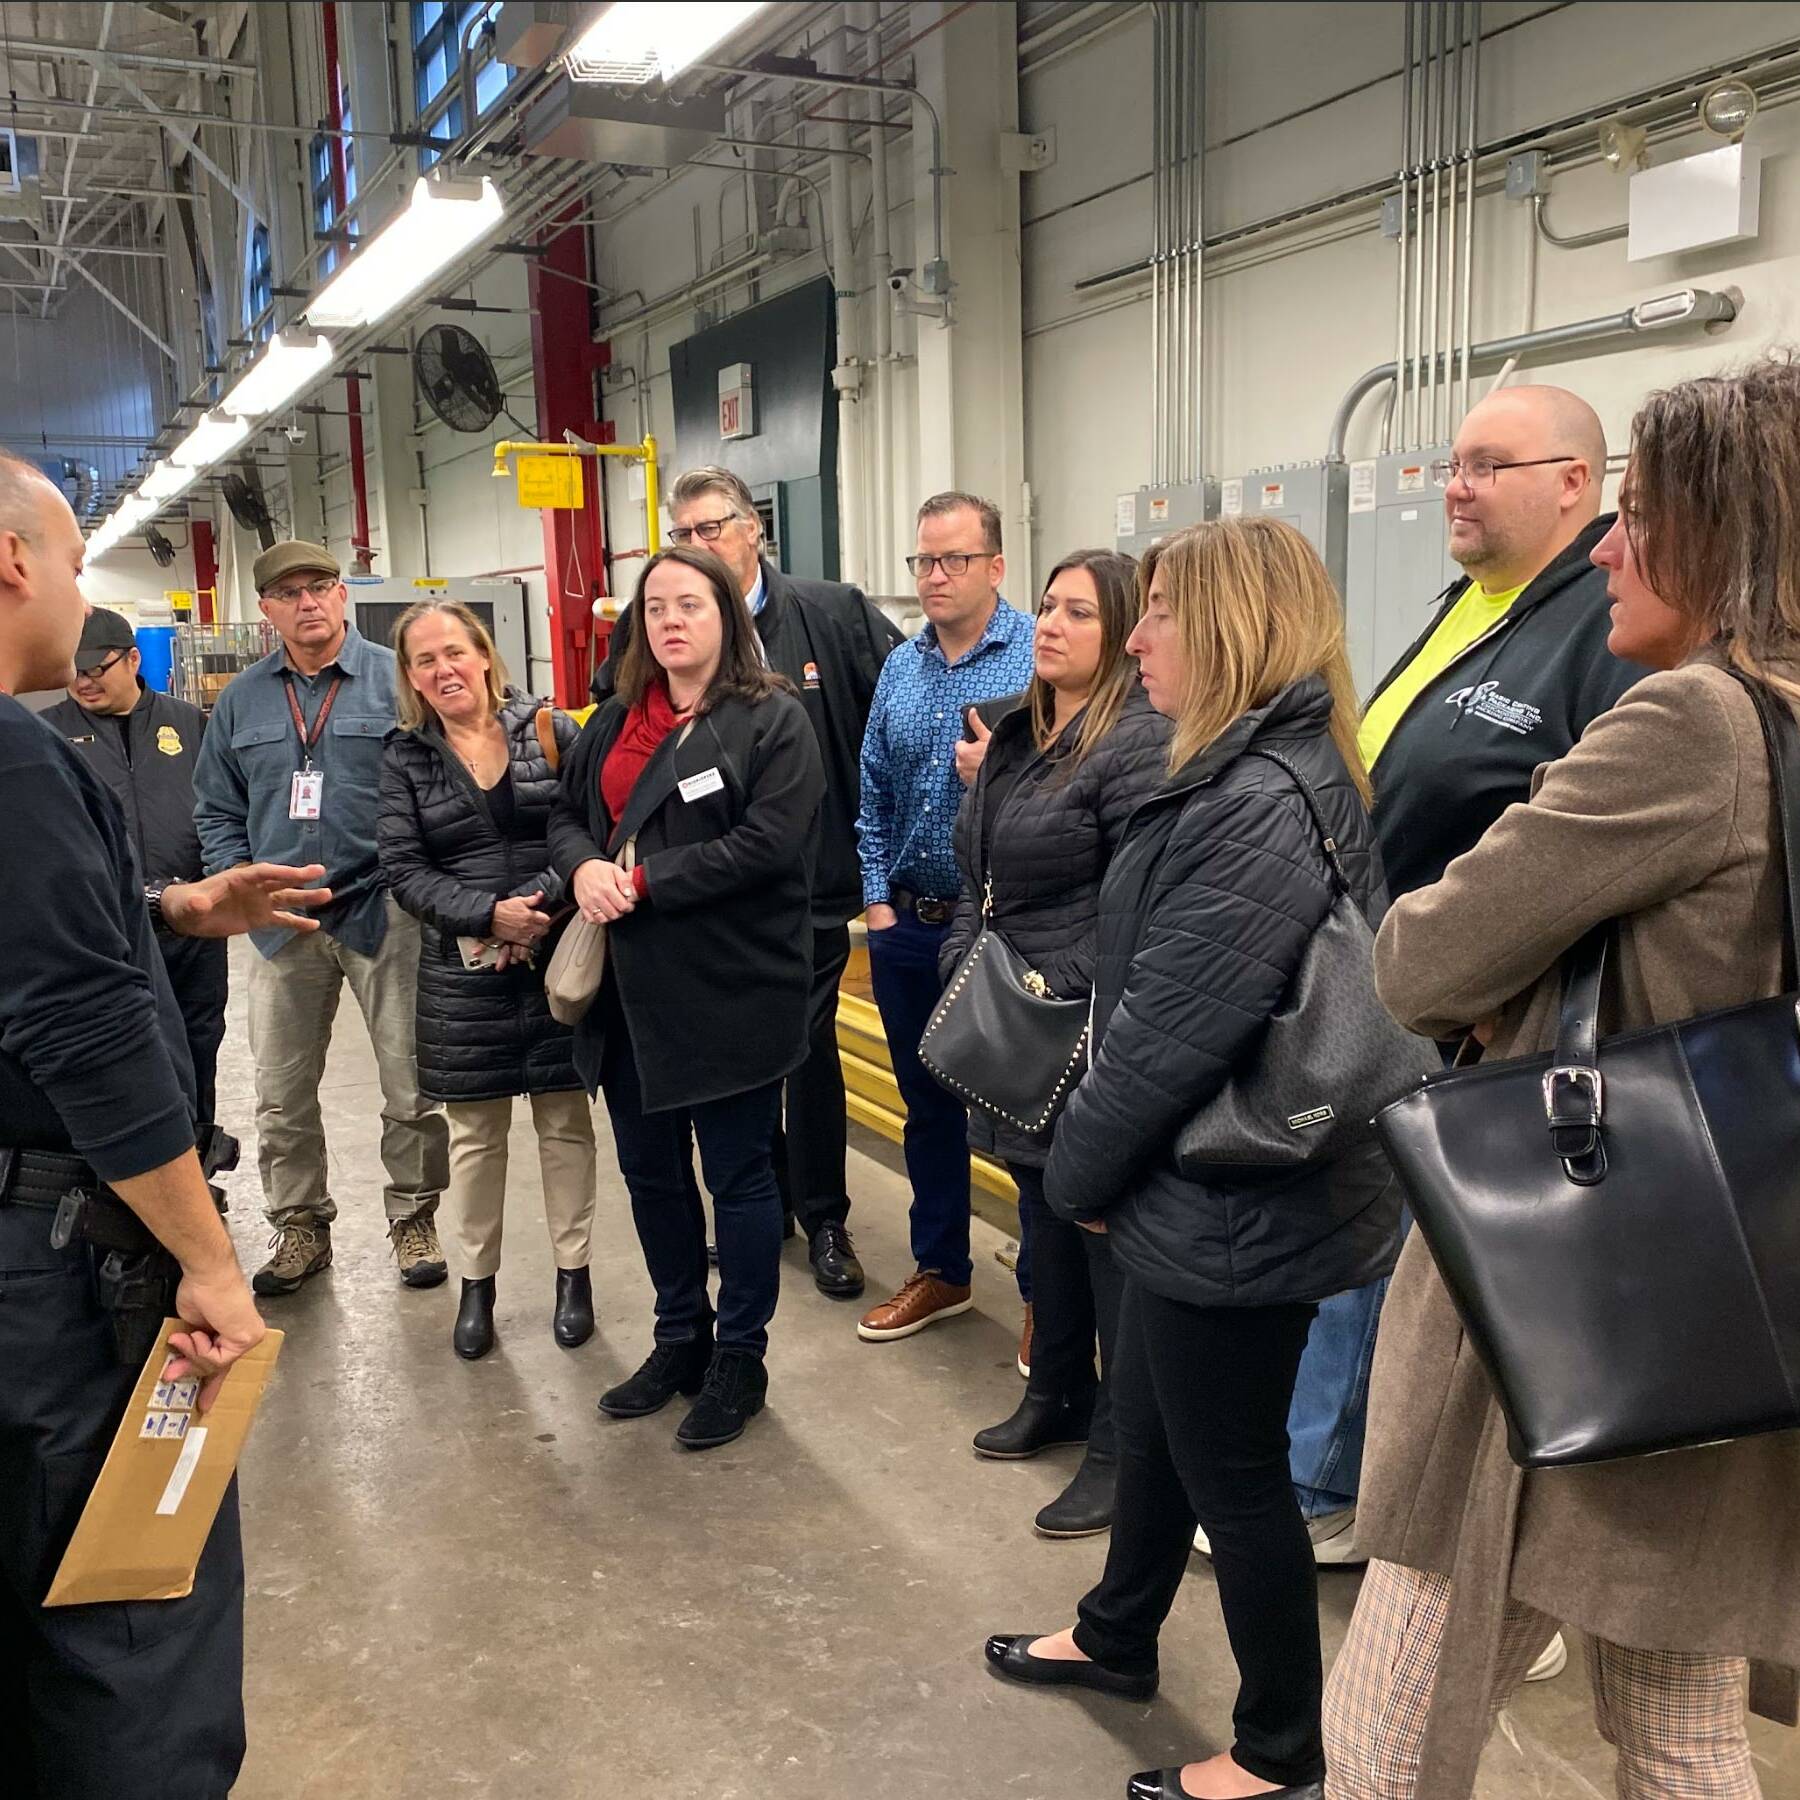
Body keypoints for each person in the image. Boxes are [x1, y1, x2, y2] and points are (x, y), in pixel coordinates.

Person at [1325, 362, 1800, 1799]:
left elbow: (1417, 960)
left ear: (1723, 535)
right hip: (1722, 1302)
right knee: (1678, 1727)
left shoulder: (1691, 726)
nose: (1606, 546)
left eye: (1640, 517)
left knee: (1386, 1729)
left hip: (1567, 1296)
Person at [983, 518, 1402, 1800]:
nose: (1137, 633)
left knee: (1238, 1480)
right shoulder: (1230, 765)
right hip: (1199, 1184)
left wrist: (1078, 1179)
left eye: (1159, 612)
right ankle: (1118, 1635)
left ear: (1226, 627)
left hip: (1233, 1194)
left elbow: (1168, 1037)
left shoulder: (1253, 800)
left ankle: (1281, 1747)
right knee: (1157, 1428)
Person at [1266, 383, 1643, 1596]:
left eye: (1490, 464)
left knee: (1421, 1265)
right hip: (1406, 980)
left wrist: (1488, 985)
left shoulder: (1600, 626)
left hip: (1485, 1019)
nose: (1457, 486)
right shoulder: (1483, 601)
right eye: (1454, 464)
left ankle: (1340, 1496)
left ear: (1578, 485)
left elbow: (1589, 848)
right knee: (1381, 1253)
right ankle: (1348, 1477)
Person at [0, 451, 330, 1796]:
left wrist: (180, 910)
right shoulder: (17, 757)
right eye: (74, 564)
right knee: (127, 1625)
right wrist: (203, 1255)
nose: (79, 595)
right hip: (57, 1272)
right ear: (14, 562)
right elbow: (79, 1028)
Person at [594, 465, 901, 1299]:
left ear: (753, 527)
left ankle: (824, 1213)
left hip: (806, 886)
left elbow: (897, 712)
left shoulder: (831, 613)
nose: (700, 546)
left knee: (804, 1051)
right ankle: (761, 1197)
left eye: (713, 527)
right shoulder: (647, 627)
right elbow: (612, 741)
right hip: (679, 910)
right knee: (735, 1078)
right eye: (683, 535)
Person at [551, 545, 823, 1450]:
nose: (670, 621)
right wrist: (586, 866)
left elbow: (774, 842)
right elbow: (563, 813)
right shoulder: (619, 715)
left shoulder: (772, 719)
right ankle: (681, 1339)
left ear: (727, 619)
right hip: (627, 998)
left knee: (739, 1178)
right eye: (655, 607)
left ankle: (740, 1358)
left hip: (729, 989)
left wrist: (650, 880)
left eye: (690, 606)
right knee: (651, 1174)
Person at [940, 548, 1170, 1539]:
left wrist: (1067, 992)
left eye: (1079, 611)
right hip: (1013, 1021)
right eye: (1047, 605)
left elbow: (1136, 903)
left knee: (1104, 1237)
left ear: (1123, 633)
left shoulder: (1138, 743)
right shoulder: (1021, 733)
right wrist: (964, 964)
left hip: (1079, 1025)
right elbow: (975, 868)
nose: (1051, 624)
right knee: (1042, 1217)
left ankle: (1122, 1449)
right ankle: (1059, 1394)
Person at [194, 541, 450, 1297]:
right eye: (289, 593)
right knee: (280, 1086)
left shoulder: (396, 680)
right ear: (267, 609)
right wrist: (243, 887)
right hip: (281, 922)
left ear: (342, 597)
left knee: (410, 1078)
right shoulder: (241, 700)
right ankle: (300, 1222)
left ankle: (413, 1217)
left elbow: (439, 782)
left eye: (321, 587)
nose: (308, 602)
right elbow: (215, 806)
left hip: (385, 907)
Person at [378, 601, 595, 1361]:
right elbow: (404, 870)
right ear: (411, 677)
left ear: (484, 655)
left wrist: (532, 910)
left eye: (453, 652)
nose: (443, 670)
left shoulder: (550, 730)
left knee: (565, 1122)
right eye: (423, 661)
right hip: (460, 977)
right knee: (475, 1136)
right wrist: (484, 916)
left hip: (557, 958)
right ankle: (478, 1287)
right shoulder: (405, 756)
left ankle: (575, 1276)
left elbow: (587, 831)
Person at [854, 492, 1036, 1343]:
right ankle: (943, 1271)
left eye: (952, 560)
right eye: (922, 561)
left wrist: (996, 772)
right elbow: (872, 793)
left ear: (995, 566)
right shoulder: (901, 666)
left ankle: (1047, 1299)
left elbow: (1080, 788)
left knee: (1024, 1116)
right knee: (927, 1110)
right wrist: (878, 903)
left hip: (1004, 929)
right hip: (910, 927)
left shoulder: (1040, 655)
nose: (933, 577)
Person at [43, 606, 228, 1130]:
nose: (83, 682)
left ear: (132, 659)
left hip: (193, 924)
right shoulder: (49, 733)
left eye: (95, 669)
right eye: (74, 670)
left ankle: (199, 1157)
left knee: (198, 1042)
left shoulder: (188, 722)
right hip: (109, 929)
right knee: (122, 1054)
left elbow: (220, 807)